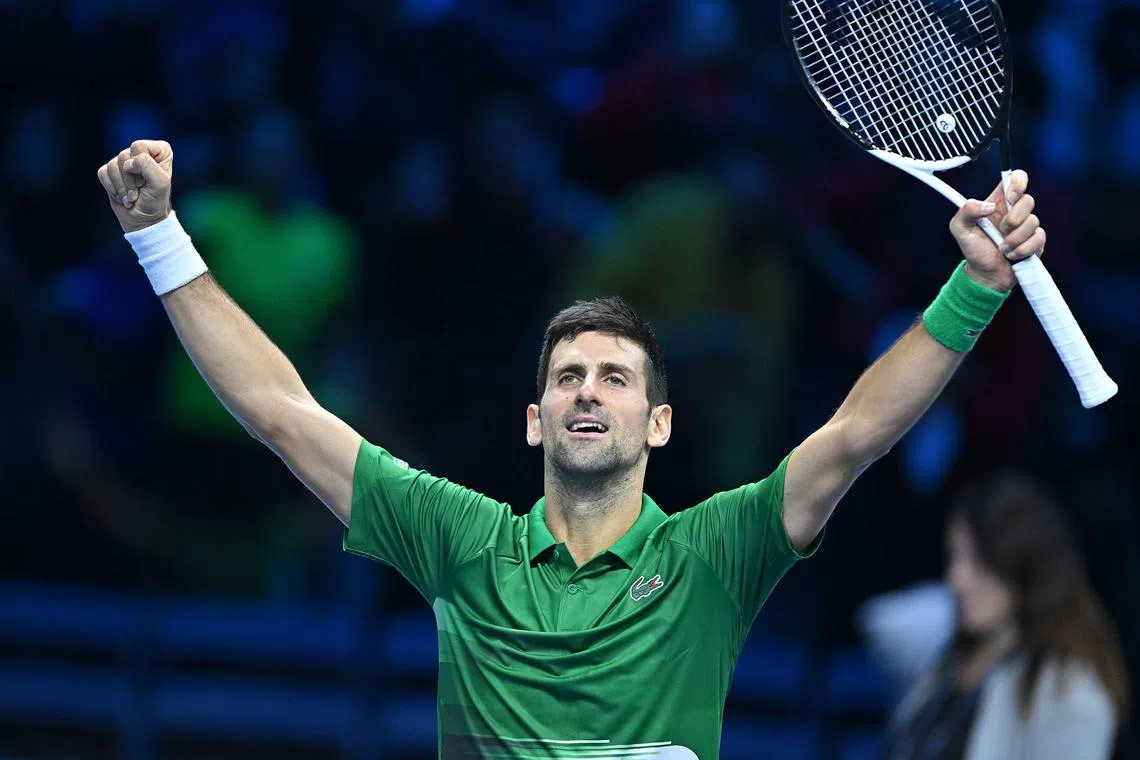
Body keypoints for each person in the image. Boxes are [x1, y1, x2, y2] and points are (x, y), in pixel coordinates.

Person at [97, 139, 1047, 758]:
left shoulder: (712, 555)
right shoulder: (461, 543)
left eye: (617, 378)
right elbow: (281, 411)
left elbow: (854, 437)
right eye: (567, 378)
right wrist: (159, 238)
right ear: (536, 420)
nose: (588, 390)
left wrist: (974, 290)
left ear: (659, 425)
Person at [860, 475, 1129, 760]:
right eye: (954, 558)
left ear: (1023, 563)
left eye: (978, 560)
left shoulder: (1068, 689)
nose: (956, 578)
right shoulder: (949, 662)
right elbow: (875, 620)